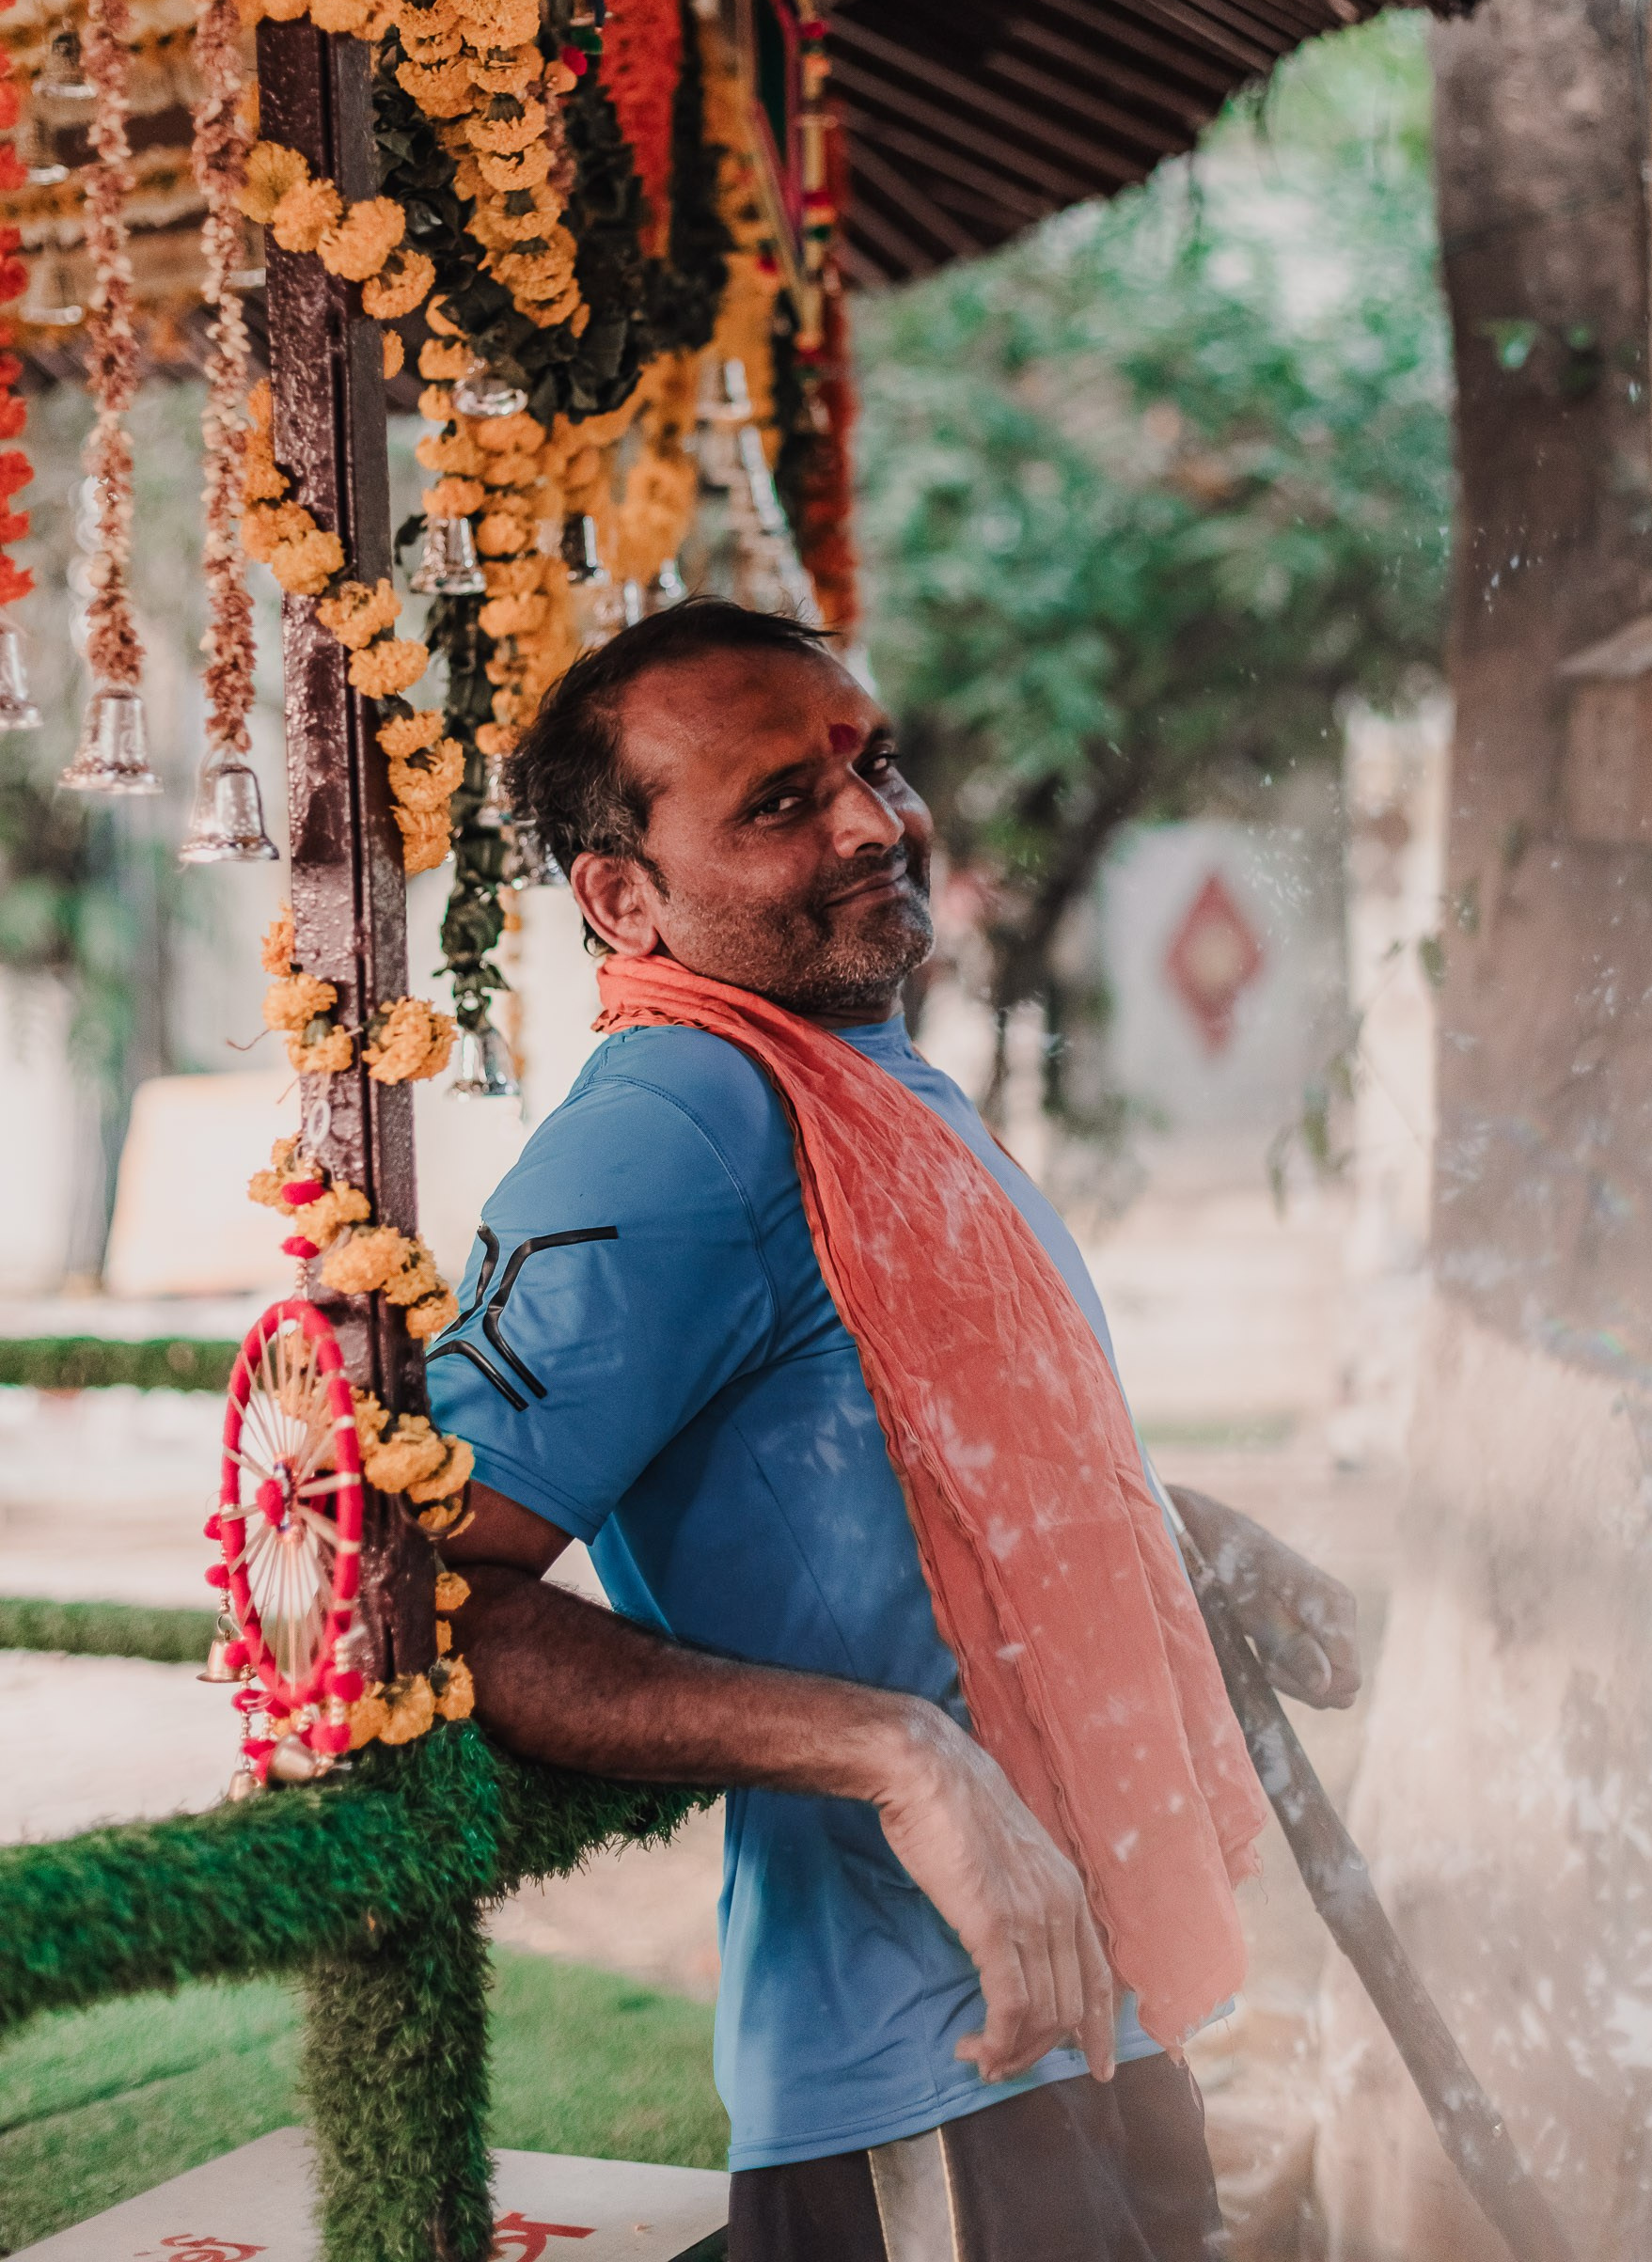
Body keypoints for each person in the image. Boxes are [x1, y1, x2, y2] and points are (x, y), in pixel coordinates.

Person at [433, 599, 1362, 2262]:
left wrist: (1176, 1530)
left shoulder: (863, 1076)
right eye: (779, 801)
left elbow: (910, 1467)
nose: (872, 819)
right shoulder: (670, 1130)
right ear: (622, 896)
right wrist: (896, 1753)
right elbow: (438, 1601)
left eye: (871, 763)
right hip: (929, 2089)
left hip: (1098, 2009)